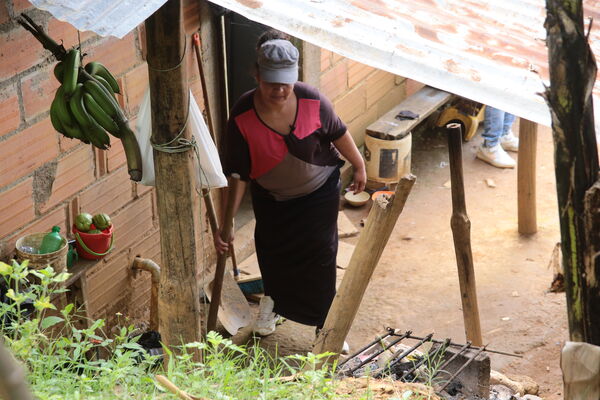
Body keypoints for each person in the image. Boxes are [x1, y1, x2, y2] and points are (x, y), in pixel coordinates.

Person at [215, 30, 366, 353]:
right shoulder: (242, 114)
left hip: (318, 193)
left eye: (285, 82)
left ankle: (325, 328)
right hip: (273, 200)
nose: (280, 90)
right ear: (256, 74)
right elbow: (238, 175)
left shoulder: (312, 99)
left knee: (321, 255)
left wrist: (360, 165)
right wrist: (226, 223)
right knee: (272, 253)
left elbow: (339, 133)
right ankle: (271, 305)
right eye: (271, 82)